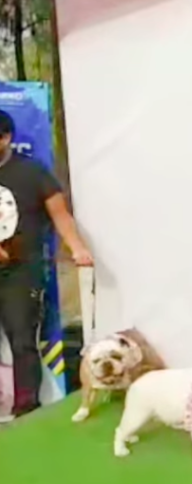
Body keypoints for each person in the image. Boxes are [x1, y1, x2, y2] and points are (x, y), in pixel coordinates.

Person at [0, 109, 93, 416]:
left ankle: (25, 410)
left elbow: (60, 215)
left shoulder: (33, 173)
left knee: (22, 340)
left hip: (21, 272)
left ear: (6, 138)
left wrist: (77, 248)